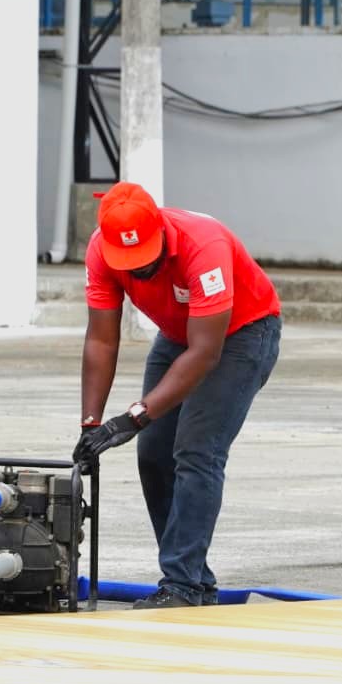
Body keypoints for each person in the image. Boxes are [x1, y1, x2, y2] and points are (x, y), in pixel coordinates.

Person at [73, 182, 282, 609]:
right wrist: (91, 423)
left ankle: (182, 584)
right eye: (129, 262)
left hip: (241, 334)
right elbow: (101, 340)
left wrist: (134, 415)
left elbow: (205, 353)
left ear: (160, 231)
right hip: (178, 333)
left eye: (145, 258)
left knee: (197, 450)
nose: (139, 269)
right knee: (153, 454)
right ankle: (194, 581)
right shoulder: (99, 250)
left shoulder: (203, 246)